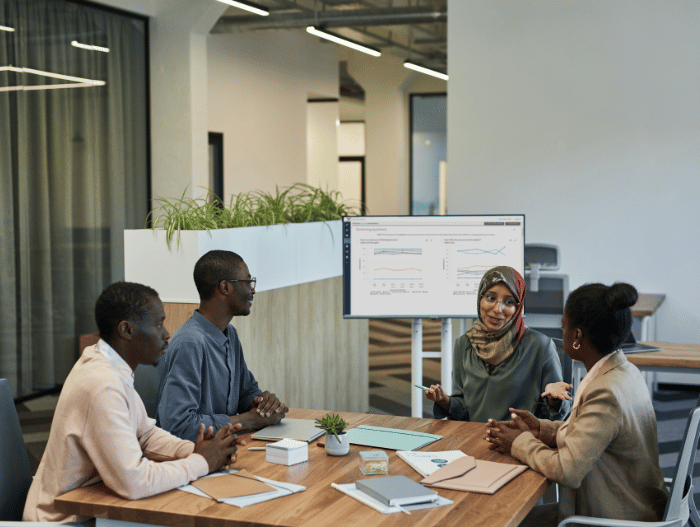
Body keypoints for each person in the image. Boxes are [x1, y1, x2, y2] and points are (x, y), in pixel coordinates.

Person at [24, 282, 243, 523]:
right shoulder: (102, 384)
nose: (166, 333)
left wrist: (194, 450)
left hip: (93, 506)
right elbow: (135, 481)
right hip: (66, 519)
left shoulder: (110, 366)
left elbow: (145, 435)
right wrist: (201, 462)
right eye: (158, 324)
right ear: (126, 330)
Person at [485, 282, 668, 526]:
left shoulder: (606, 392)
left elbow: (567, 470)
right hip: (633, 505)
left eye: (564, 327)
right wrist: (541, 430)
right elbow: (591, 434)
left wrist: (520, 443)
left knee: (502, 520)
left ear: (578, 336)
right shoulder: (624, 371)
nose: (563, 334)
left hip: (612, 518)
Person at [156, 250, 288, 442]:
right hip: (190, 458)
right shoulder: (190, 343)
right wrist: (247, 421)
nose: (252, 290)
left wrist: (261, 404)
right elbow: (177, 425)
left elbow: (246, 390)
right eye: (248, 282)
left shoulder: (230, 334)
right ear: (225, 287)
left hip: (224, 448)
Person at [425, 266, 572, 422]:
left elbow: (557, 416)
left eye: (508, 302)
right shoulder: (464, 344)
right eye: (491, 298)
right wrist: (444, 401)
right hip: (475, 437)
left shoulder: (540, 346)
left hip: (520, 440)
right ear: (480, 298)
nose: (497, 309)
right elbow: (462, 410)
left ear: (518, 306)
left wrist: (554, 401)